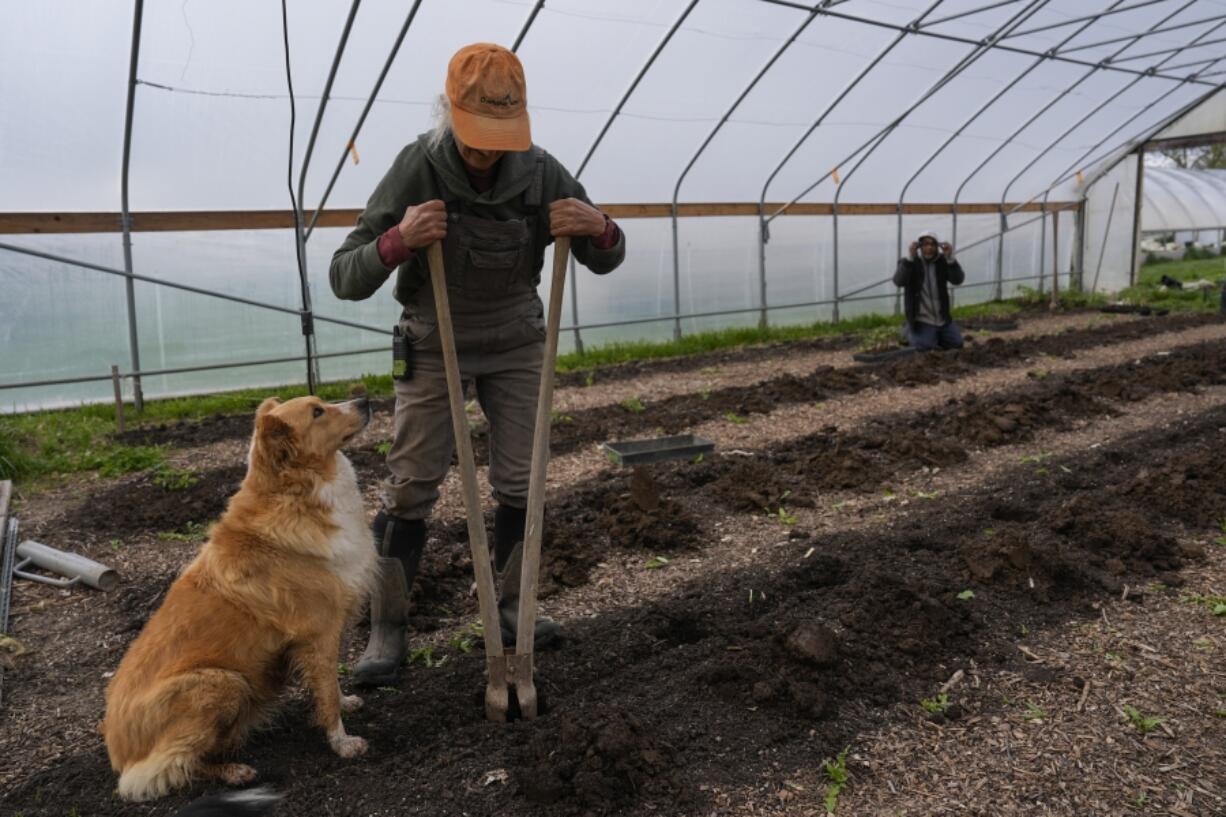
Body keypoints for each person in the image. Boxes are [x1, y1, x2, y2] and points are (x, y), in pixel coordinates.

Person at [330, 43, 625, 686]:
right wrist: (396, 241)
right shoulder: (418, 165)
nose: (487, 151)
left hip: (517, 341)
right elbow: (343, 276)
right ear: (450, 114)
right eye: (476, 137)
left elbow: (607, 256)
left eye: (499, 138)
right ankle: (387, 630)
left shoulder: (542, 171)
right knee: (411, 485)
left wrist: (600, 227)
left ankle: (516, 616)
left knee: (523, 483)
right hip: (435, 339)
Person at [893, 230, 965, 351]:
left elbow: (957, 280)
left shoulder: (943, 262)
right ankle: (908, 331)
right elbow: (899, 281)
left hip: (942, 319)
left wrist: (950, 259)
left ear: (937, 246)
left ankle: (935, 335)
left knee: (957, 343)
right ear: (920, 247)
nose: (929, 247)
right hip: (922, 319)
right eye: (926, 244)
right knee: (924, 347)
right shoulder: (911, 263)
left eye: (932, 244)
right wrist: (910, 258)